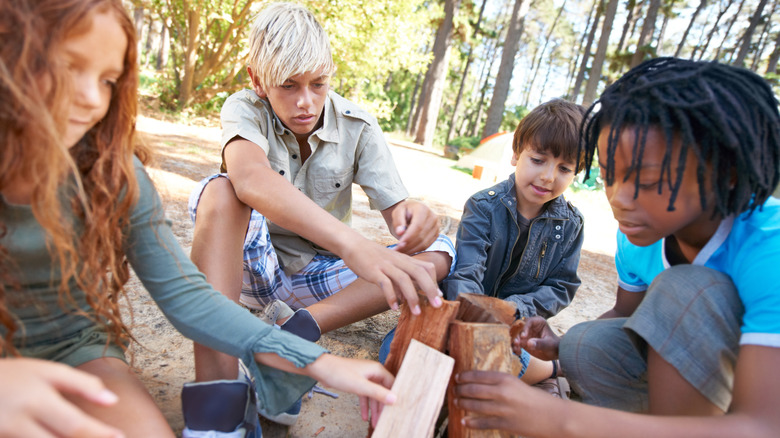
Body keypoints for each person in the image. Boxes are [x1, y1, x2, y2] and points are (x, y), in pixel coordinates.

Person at [0, 1, 400, 437]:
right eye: (70, 66)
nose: (93, 98)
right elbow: (246, 179)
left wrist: (318, 362)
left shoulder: (110, 172)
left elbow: (186, 297)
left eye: (108, 79)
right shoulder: (244, 110)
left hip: (76, 349)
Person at [453, 57, 780, 437]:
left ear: (725, 174)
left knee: (686, 288)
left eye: (646, 179)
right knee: (585, 342)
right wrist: (559, 346)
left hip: (748, 399)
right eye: (610, 176)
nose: (619, 198)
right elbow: (626, 317)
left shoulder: (768, 248)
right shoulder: (638, 234)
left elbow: (765, 426)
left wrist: (559, 420)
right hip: (690, 391)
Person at [187, 1, 455, 425]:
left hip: (319, 280)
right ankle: (216, 400)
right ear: (258, 81)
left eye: (318, 84)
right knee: (220, 193)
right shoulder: (244, 108)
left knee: (439, 253)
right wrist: (352, 244)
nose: (305, 102)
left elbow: (399, 217)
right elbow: (250, 179)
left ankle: (293, 337)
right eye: (288, 86)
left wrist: (415, 219)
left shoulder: (359, 125)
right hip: (253, 271)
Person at [442, 99, 586, 390]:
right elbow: (467, 272)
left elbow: (561, 287)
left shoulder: (571, 225)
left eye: (564, 168)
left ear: (576, 173)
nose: (548, 176)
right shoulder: (483, 206)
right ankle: (550, 370)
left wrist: (513, 309)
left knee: (501, 361)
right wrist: (477, 322)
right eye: (538, 160)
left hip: (518, 327)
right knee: (398, 351)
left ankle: (547, 371)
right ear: (516, 154)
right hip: (465, 319)